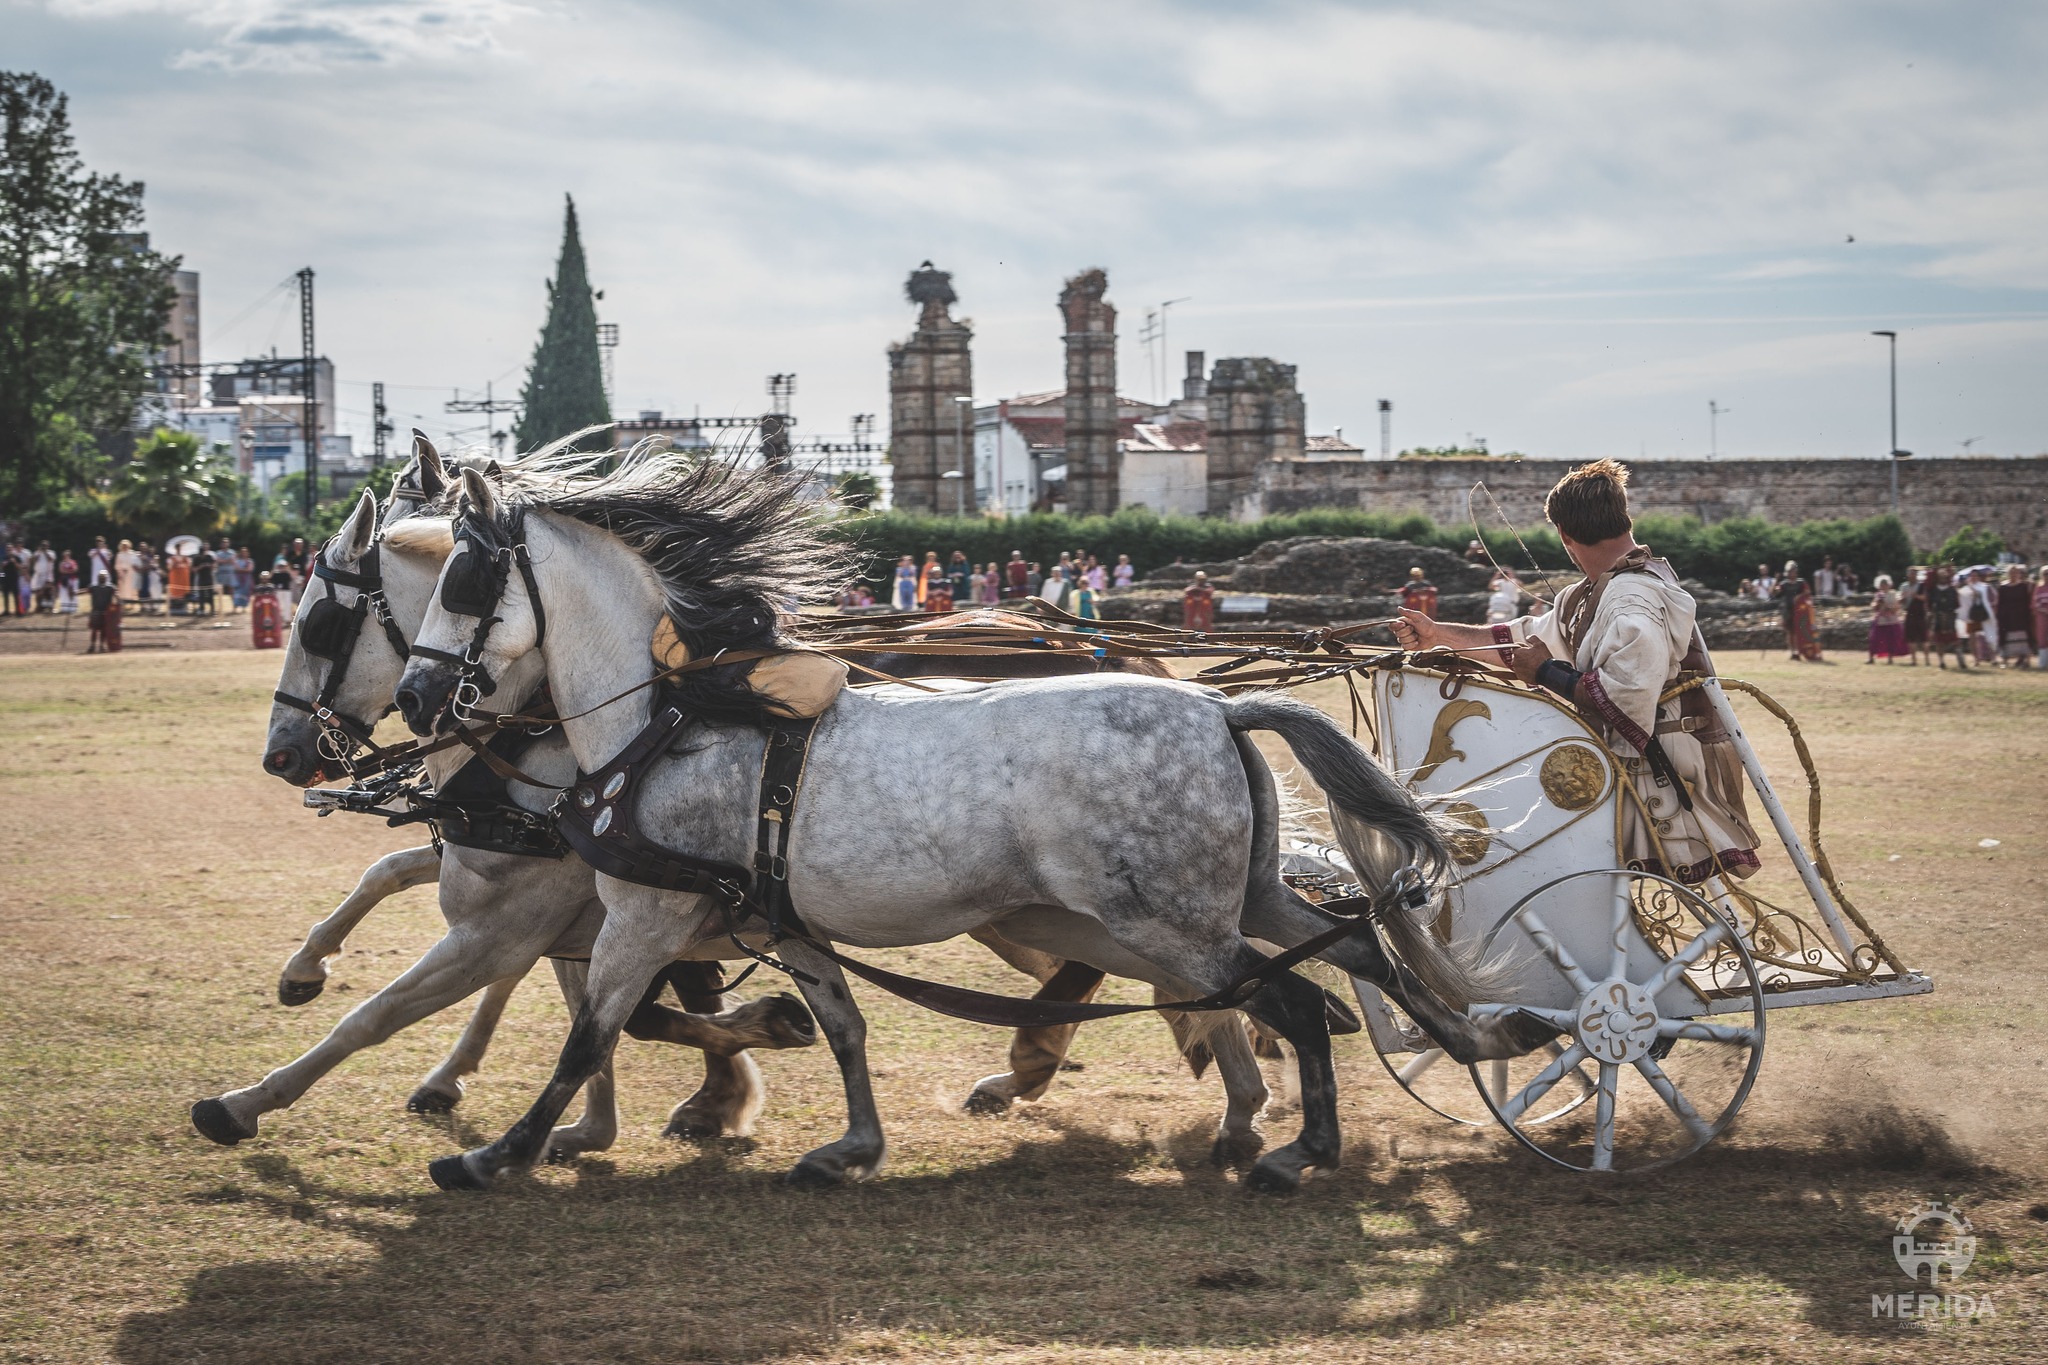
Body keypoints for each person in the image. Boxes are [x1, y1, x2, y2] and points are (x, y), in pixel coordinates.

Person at [1391, 459, 1762, 884]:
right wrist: (1438, 634)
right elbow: (1519, 640)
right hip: (1638, 758)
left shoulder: (1632, 599)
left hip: (1666, 770)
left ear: (1565, 536)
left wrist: (1545, 671)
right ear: (1625, 518)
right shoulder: (1590, 594)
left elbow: (1625, 700)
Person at [1778, 560, 1822, 661]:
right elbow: (1776, 592)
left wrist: (1799, 596)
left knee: (1801, 631)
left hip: (1800, 611)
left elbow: (1808, 592)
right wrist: (1776, 582)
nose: (1791, 573)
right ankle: (1793, 652)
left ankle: (1801, 651)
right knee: (1790, 632)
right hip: (1787, 610)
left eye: (1793, 571)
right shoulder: (1784, 584)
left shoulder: (1801, 582)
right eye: (1790, 571)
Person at [1994, 565, 2036, 667]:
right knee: (2006, 636)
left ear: (2019, 574)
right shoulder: (2003, 587)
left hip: (2021, 616)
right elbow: (2000, 602)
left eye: (2016, 572)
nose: (2014, 575)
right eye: (2011, 573)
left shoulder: (2024, 586)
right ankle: (2005, 660)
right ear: (2008, 574)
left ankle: (2025, 660)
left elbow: (2028, 600)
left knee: (2023, 636)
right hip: (2007, 616)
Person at [1926, 565, 1965, 669]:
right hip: (1938, 617)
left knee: (1956, 640)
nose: (1943, 576)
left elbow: (1956, 604)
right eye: (1941, 575)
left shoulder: (1952, 589)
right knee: (1939, 641)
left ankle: (1961, 660)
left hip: (1950, 617)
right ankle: (1941, 661)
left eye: (1944, 575)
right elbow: (1930, 604)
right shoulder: (1933, 590)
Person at [1867, 575, 1905, 664]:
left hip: (1892, 620)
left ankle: (1890, 659)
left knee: (1891, 640)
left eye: (1885, 584)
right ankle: (1871, 658)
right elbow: (1873, 606)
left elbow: (1897, 607)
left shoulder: (1894, 594)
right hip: (1880, 620)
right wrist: (1877, 604)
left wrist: (1887, 606)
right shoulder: (1878, 595)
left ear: (1889, 585)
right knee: (1874, 639)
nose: (1883, 586)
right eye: (1882, 584)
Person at [1960, 568, 1996, 663]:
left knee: (1989, 635)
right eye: (1972, 576)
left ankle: (1993, 657)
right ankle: (1976, 659)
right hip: (1971, 615)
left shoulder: (1984, 587)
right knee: (1972, 637)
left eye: (1975, 575)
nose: (1973, 577)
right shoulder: (1965, 589)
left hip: (1983, 613)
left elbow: (1991, 598)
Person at [1901, 567, 1929, 665]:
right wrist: (1902, 598)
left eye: (1914, 574)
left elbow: (1926, 598)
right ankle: (1914, 661)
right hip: (1909, 613)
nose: (1912, 576)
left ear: (1916, 575)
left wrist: (1916, 596)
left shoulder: (1921, 585)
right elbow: (1901, 601)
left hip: (1920, 614)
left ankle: (1927, 661)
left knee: (1924, 638)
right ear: (1908, 575)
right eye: (1910, 574)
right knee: (1911, 638)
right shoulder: (1904, 586)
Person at [86, 572, 119, 653]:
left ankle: (99, 646)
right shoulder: (94, 587)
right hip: (98, 611)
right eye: (101, 577)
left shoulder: (109, 587)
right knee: (96, 630)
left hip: (104, 612)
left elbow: (117, 597)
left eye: (103, 577)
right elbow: (117, 597)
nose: (102, 578)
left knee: (102, 630)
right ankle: (94, 646)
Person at [114, 539, 142, 607]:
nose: (125, 547)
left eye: (126, 546)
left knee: (132, 589)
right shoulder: (119, 554)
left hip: (132, 573)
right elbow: (117, 565)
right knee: (123, 589)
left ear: (129, 546)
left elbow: (137, 563)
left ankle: (132, 603)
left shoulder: (133, 553)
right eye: (123, 546)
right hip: (123, 574)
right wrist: (120, 571)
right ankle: (124, 603)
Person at [30, 541, 55, 612]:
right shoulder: (37, 553)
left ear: (48, 546)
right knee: (38, 592)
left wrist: (45, 552)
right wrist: (39, 551)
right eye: (43, 545)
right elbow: (34, 560)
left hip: (48, 575)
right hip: (39, 575)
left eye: (45, 546)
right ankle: (40, 607)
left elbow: (51, 559)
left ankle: (50, 607)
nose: (44, 547)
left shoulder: (51, 552)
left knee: (48, 592)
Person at [55, 548, 78, 614]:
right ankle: (64, 608)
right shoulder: (62, 563)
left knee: (72, 593)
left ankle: (73, 608)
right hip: (64, 580)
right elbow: (61, 571)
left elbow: (75, 569)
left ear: (69, 556)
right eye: (65, 555)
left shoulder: (73, 562)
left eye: (67, 555)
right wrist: (70, 571)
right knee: (63, 593)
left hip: (72, 579)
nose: (66, 557)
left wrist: (67, 571)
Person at [2034, 567, 2048, 672]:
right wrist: (2044, 610)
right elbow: (2036, 603)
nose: (2047, 576)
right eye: (2045, 574)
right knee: (2042, 638)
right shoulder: (2039, 588)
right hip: (2042, 616)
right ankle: (2043, 663)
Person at [0, 542, 19, 616]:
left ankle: (18, 611)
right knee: (5, 595)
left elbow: (19, 567)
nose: (9, 550)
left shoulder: (16, 557)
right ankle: (6, 611)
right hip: (6, 579)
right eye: (8, 549)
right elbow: (2, 567)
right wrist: (7, 561)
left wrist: (15, 562)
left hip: (14, 579)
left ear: (12, 549)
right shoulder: (4, 557)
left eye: (10, 548)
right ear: (6, 550)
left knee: (15, 595)